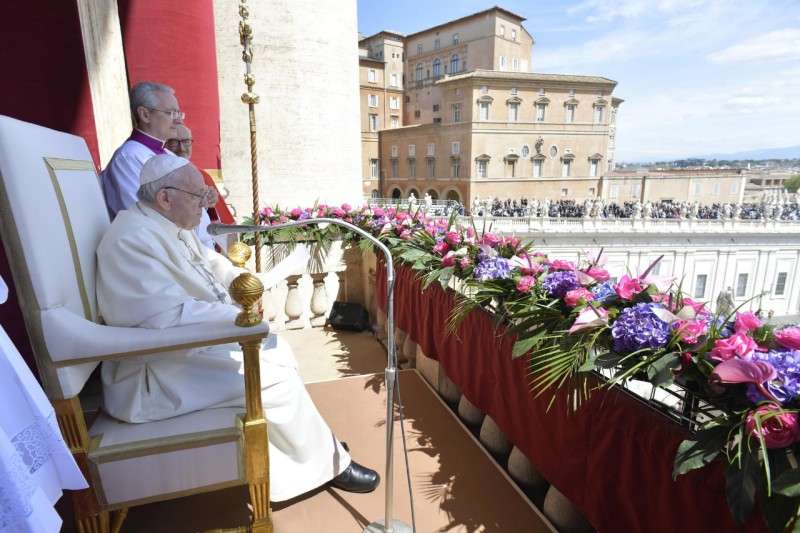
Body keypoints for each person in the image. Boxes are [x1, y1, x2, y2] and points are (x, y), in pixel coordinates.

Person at [95, 154, 380, 501]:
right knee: (272, 378)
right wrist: (238, 314)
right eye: (198, 196)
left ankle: (311, 450)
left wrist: (247, 285)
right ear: (165, 198)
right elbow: (165, 317)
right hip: (154, 373)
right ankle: (326, 463)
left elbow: (214, 265)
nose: (205, 204)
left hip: (186, 350)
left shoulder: (166, 225)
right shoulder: (131, 239)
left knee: (278, 352)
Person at [100, 81, 218, 250]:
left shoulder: (169, 155)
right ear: (145, 114)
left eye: (179, 113)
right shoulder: (128, 158)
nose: (179, 120)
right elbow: (143, 218)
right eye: (171, 113)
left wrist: (202, 196)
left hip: (194, 249)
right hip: (163, 251)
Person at [166, 124, 234, 251]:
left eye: (186, 141)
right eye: (174, 142)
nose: (181, 148)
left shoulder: (202, 176)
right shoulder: (159, 176)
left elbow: (227, 227)